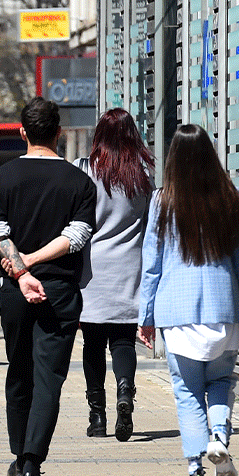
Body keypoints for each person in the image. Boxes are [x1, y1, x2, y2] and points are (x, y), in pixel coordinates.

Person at [138, 124, 239, 476]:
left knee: (187, 391)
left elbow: (152, 266)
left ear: (173, 159)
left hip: (178, 315)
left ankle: (195, 472)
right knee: (221, 382)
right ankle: (220, 438)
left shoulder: (162, 201)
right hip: (224, 311)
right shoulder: (228, 199)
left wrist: (145, 317)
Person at [0, 97, 97, 476]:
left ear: (22, 132)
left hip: (15, 290)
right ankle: (31, 465)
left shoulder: (1, 178)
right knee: (50, 379)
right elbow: (77, 236)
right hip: (61, 291)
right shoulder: (79, 182)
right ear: (59, 133)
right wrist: (33, 264)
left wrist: (21, 269)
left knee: (19, 372)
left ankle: (19, 457)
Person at [72, 109, 154, 442]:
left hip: (92, 269)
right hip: (129, 267)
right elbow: (149, 222)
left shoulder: (84, 169)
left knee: (92, 344)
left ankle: (97, 417)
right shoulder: (143, 173)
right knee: (123, 340)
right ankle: (125, 390)